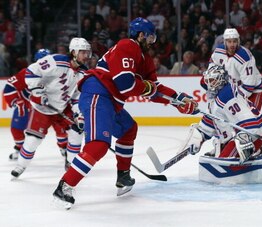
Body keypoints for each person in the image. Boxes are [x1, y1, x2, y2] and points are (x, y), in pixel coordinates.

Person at [52, 17, 199, 209]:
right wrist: (149, 89)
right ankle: (64, 187)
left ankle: (123, 176)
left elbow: (154, 88)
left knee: (128, 129)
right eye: (150, 38)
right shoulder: (127, 46)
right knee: (98, 145)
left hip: (111, 102)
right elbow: (125, 83)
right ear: (140, 36)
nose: (152, 42)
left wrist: (178, 100)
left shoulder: (144, 58)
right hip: (98, 94)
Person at [184, 65, 262, 184]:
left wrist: (246, 137)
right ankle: (257, 154)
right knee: (220, 162)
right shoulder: (218, 97)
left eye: (212, 80)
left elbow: (246, 117)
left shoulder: (227, 95)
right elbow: (211, 122)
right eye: (208, 81)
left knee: (223, 164)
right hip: (244, 133)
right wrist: (198, 137)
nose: (209, 85)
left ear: (221, 79)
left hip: (250, 133)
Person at [10, 38, 92, 178]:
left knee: (77, 131)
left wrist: (78, 113)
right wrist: (37, 91)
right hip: (43, 108)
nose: (86, 56)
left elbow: (77, 97)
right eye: (83, 52)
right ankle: (21, 165)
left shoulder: (84, 73)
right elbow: (31, 71)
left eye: (87, 53)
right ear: (73, 52)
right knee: (33, 140)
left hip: (63, 107)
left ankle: (71, 164)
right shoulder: (56, 61)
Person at [3, 49, 68, 161]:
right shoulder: (26, 72)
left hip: (50, 107)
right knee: (16, 128)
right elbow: (9, 87)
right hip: (28, 107)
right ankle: (20, 148)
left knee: (61, 128)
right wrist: (16, 101)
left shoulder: (58, 74)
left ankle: (64, 148)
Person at [207, 28, 262, 110]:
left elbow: (249, 87)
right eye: (229, 41)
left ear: (238, 41)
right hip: (234, 88)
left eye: (234, 41)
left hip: (254, 90)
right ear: (225, 42)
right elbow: (212, 65)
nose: (232, 44)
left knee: (251, 119)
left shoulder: (244, 57)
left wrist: (232, 100)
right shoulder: (218, 51)